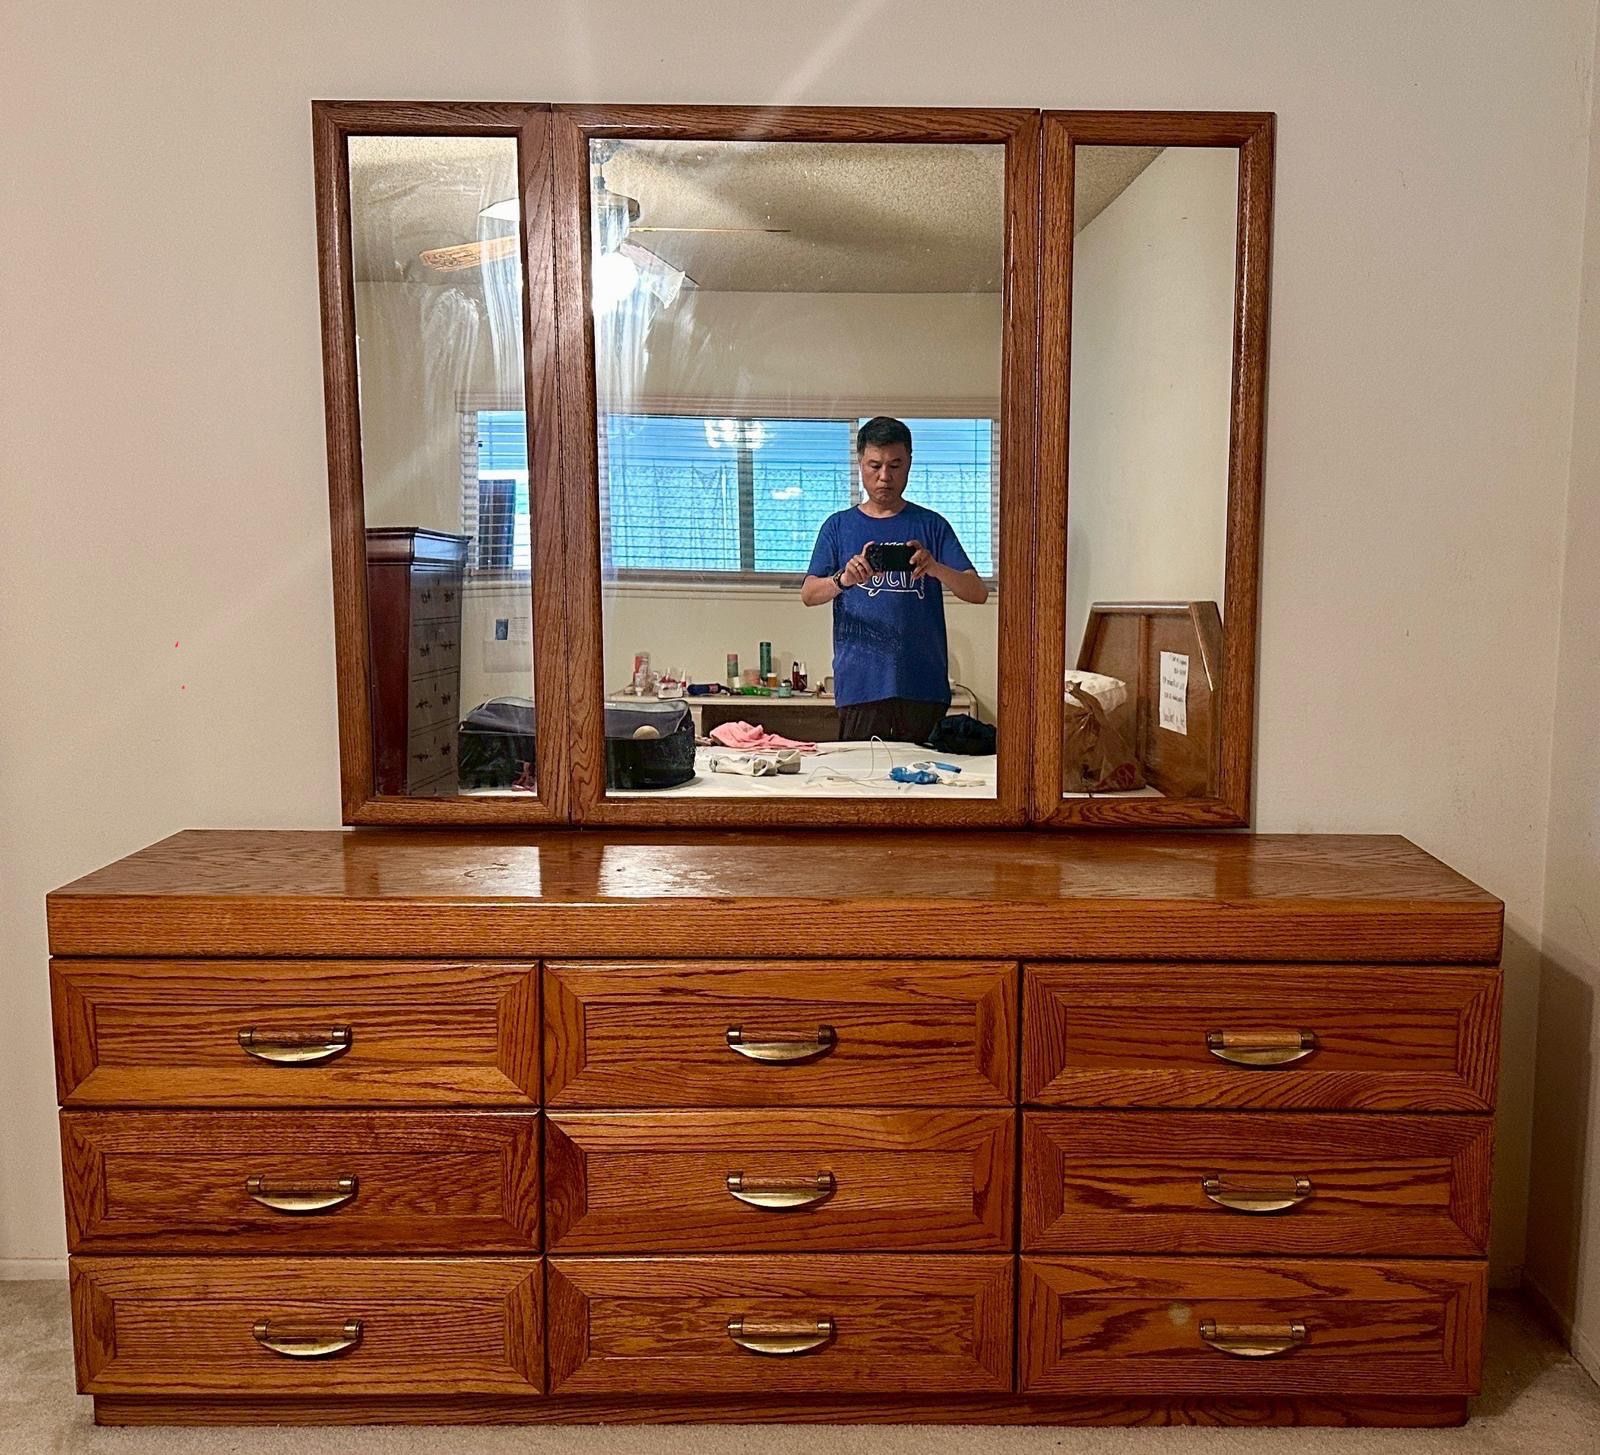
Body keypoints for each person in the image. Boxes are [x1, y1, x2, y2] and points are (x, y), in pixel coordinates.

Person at [800, 416, 989, 743]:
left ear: (910, 463)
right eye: (874, 465)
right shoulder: (838, 527)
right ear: (860, 463)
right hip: (860, 686)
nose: (884, 477)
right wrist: (844, 579)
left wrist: (934, 567)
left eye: (895, 465)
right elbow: (809, 593)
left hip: (923, 686)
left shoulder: (931, 525)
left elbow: (977, 592)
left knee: (924, 787)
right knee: (861, 786)